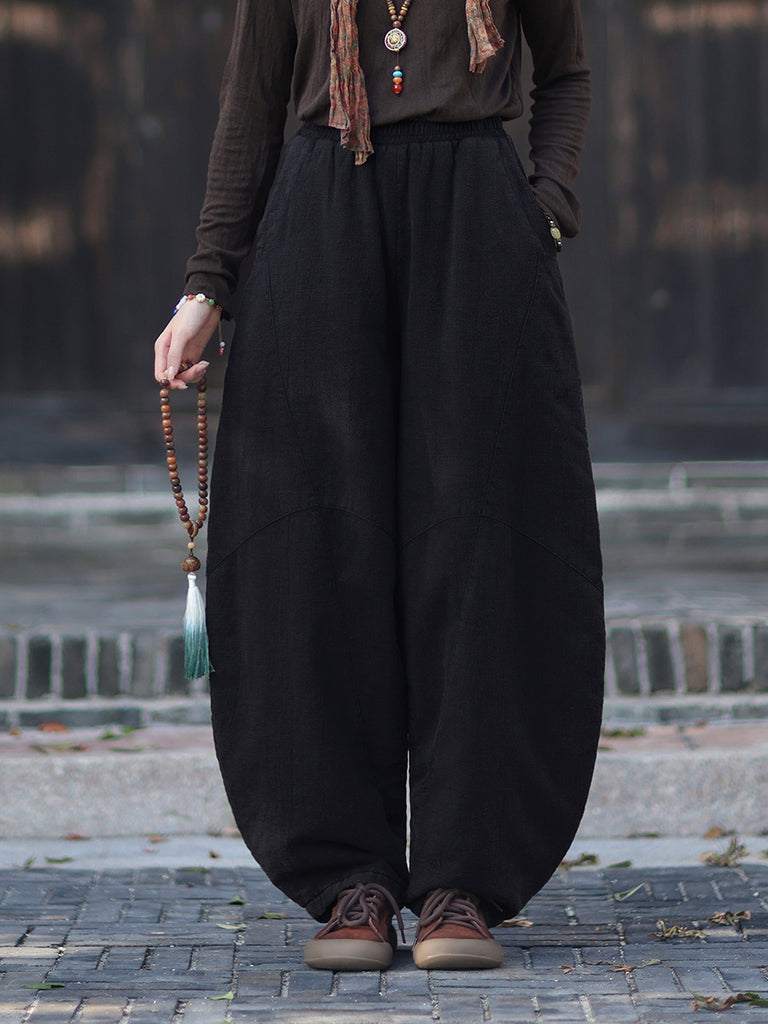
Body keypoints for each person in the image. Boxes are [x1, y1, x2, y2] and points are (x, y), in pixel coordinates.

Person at [153, 0, 605, 973]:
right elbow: (252, 105)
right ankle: (349, 880)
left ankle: (460, 882)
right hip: (320, 224)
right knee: (318, 548)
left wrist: (544, 210)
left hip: (478, 229)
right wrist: (207, 285)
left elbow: (565, 74)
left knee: (478, 543)